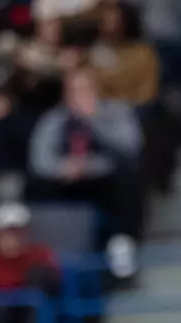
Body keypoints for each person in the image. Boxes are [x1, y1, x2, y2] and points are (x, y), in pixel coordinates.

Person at [29, 67, 144, 275]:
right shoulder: (54, 119)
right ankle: (51, 254)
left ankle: (122, 247)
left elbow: (130, 149)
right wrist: (63, 167)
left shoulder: (116, 113)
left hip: (104, 179)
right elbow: (40, 160)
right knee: (36, 184)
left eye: (86, 89)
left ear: (97, 89)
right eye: (74, 90)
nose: (80, 95)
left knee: (129, 177)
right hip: (66, 180)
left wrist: (93, 121)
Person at [0, 203, 60, 323]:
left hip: (28, 317)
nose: (13, 238)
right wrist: (21, 281)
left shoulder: (40, 254)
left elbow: (54, 277)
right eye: (7, 233)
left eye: (17, 232)